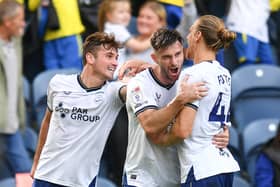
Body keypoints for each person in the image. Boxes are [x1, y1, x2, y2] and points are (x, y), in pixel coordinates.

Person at [122, 28, 230, 187]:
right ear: (155, 58)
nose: (174, 62)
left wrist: (223, 131)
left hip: (176, 179)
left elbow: (211, 113)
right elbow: (151, 125)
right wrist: (180, 100)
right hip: (142, 179)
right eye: (166, 57)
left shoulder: (189, 79)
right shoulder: (140, 84)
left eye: (177, 54)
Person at [30, 32, 126, 187]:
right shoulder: (58, 83)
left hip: (81, 183)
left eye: (116, 58)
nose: (115, 63)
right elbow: (47, 122)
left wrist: (134, 66)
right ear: (90, 58)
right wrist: (36, 162)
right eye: (109, 56)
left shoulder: (114, 92)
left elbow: (133, 91)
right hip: (45, 177)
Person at [169, 15, 240, 187]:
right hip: (223, 164)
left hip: (200, 168)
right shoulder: (224, 73)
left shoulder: (192, 74)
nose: (187, 37)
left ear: (198, 36)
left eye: (190, 31)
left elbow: (182, 131)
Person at [0, 0, 33, 186]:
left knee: (24, 176)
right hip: (2, 124)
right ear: (7, 22)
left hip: (11, 124)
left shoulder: (16, 41)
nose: (23, 23)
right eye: (20, 19)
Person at [98, 0, 151, 79]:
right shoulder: (117, 30)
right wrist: (154, 36)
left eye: (128, 12)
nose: (126, 15)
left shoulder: (109, 26)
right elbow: (138, 46)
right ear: (109, 15)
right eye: (121, 12)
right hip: (114, 74)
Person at [28, 0, 85, 70]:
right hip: (56, 37)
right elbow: (31, 6)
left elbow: (32, 5)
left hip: (67, 34)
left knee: (72, 75)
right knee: (59, 77)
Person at [226, 0, 276, 68]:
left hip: (260, 30)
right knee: (247, 64)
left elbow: (274, 5)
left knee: (269, 66)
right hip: (243, 27)